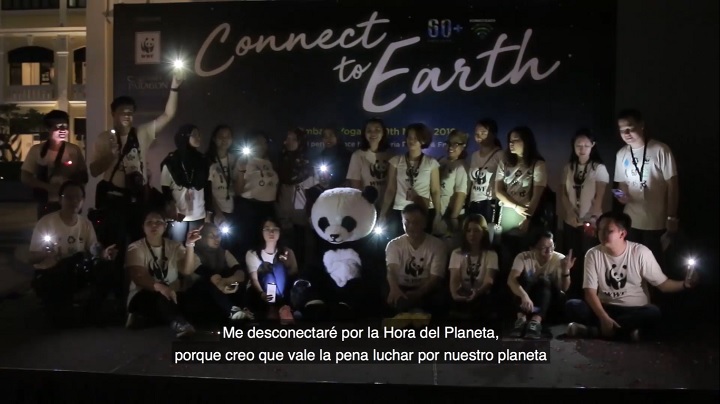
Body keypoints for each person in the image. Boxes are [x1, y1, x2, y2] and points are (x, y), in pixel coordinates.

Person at [565, 211, 698, 342]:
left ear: (622, 233)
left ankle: (595, 331)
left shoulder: (640, 252)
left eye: (609, 231)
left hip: (634, 310)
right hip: (606, 307)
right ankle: (625, 333)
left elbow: (663, 284)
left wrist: (684, 284)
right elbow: (590, 293)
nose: (602, 234)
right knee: (573, 305)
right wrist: (604, 317)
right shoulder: (593, 254)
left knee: (653, 312)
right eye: (600, 230)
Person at [28, 180, 117, 326]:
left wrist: (103, 254)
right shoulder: (46, 222)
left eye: (78, 198)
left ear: (83, 200)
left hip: (76, 272)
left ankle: (90, 312)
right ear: (60, 199)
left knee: (105, 267)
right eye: (69, 197)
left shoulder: (85, 224)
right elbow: (31, 258)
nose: (74, 201)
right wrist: (45, 254)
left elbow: (93, 249)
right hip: (51, 274)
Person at [613, 109, 679, 265]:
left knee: (653, 267)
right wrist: (620, 195)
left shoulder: (660, 149)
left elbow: (673, 185)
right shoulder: (621, 154)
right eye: (622, 130)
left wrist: (671, 216)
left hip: (656, 222)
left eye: (630, 128)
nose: (626, 133)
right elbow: (621, 185)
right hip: (631, 221)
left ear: (641, 125)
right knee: (632, 265)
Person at [124, 211, 202, 338]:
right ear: (143, 227)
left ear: (165, 226)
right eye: (149, 222)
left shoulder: (174, 246)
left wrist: (190, 245)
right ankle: (178, 323)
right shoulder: (136, 247)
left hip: (172, 293)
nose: (154, 225)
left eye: (158, 222)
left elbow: (187, 270)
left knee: (191, 297)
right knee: (161, 297)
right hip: (144, 294)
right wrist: (162, 288)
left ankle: (146, 319)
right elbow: (139, 277)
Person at [561, 129, 609, 297]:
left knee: (588, 258)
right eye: (578, 145)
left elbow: (599, 197)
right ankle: (571, 293)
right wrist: (570, 211)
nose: (582, 149)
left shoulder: (599, 168)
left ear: (593, 145)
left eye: (586, 145)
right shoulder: (569, 167)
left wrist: (592, 218)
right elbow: (563, 194)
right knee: (572, 257)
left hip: (590, 222)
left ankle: (589, 295)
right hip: (571, 221)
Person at [494, 126, 548, 270]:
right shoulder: (504, 162)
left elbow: (537, 195)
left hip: (527, 215)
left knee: (525, 256)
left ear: (526, 141)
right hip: (507, 214)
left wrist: (528, 217)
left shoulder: (537, 164)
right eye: (510, 140)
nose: (511, 143)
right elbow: (498, 191)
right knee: (506, 255)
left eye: (516, 140)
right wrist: (515, 206)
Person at [507, 231, 576, 339]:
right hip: (527, 302)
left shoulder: (559, 259)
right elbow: (511, 280)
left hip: (549, 303)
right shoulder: (523, 257)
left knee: (544, 280)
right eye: (544, 248)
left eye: (551, 247)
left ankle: (535, 322)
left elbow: (564, 288)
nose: (549, 251)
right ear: (532, 248)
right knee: (522, 279)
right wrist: (524, 296)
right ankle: (521, 320)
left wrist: (565, 271)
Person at [385, 204, 448, 319]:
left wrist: (419, 293)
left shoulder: (437, 245)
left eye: (416, 222)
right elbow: (391, 269)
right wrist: (394, 289)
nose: (411, 226)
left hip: (426, 288)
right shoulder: (394, 244)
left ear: (424, 223)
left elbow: (436, 277)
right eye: (407, 222)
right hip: (402, 287)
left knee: (439, 298)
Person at [21, 110, 88, 219]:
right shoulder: (37, 150)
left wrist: (70, 175)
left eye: (65, 126)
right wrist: (48, 187)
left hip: (70, 203)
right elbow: (25, 177)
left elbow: (84, 176)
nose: (63, 130)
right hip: (47, 202)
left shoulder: (74, 150)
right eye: (58, 127)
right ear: (48, 129)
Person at [380, 123, 442, 239]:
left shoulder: (431, 162)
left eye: (416, 138)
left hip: (423, 209)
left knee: (423, 244)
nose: (411, 140)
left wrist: (438, 214)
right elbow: (390, 189)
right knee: (400, 244)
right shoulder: (396, 161)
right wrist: (383, 213)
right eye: (409, 137)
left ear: (423, 140)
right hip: (401, 210)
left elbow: (435, 191)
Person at [161, 124, 211, 244]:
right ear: (184, 137)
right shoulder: (171, 161)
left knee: (194, 247)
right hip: (178, 214)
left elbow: (208, 187)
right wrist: (170, 205)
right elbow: (165, 187)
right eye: (194, 135)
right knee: (176, 246)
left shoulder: (203, 160)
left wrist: (209, 212)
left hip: (198, 214)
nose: (198, 137)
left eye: (199, 135)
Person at [193, 224, 253, 322]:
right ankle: (231, 310)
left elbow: (239, 272)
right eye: (211, 236)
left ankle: (242, 308)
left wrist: (230, 280)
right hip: (201, 295)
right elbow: (208, 274)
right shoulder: (194, 253)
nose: (217, 238)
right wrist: (221, 283)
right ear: (202, 237)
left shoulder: (223, 252)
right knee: (207, 281)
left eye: (218, 235)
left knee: (237, 278)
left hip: (222, 288)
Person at [245, 218, 298, 323]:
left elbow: (294, 274)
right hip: (259, 291)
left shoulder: (287, 251)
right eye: (267, 229)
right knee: (267, 270)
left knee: (278, 267)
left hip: (282, 291)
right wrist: (262, 293)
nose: (271, 232)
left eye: (275, 229)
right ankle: (280, 308)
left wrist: (286, 265)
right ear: (261, 232)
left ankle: (277, 308)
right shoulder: (252, 253)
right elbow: (254, 279)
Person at [234, 132, 279, 255]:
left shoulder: (271, 162)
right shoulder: (244, 160)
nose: (261, 145)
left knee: (266, 243)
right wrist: (241, 170)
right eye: (257, 142)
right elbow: (238, 190)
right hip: (250, 207)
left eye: (263, 142)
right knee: (249, 242)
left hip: (268, 207)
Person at [448, 215, 499, 321]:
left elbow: (489, 280)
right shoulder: (456, 253)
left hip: (482, 294)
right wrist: (454, 294)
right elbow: (454, 278)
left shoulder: (491, 254)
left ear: (483, 233)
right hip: (462, 292)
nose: (472, 234)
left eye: (476, 231)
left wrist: (477, 292)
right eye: (469, 231)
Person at [206, 125, 239, 251]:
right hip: (216, 209)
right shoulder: (208, 160)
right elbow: (207, 190)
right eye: (221, 136)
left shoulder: (235, 159)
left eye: (228, 136)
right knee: (214, 244)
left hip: (233, 208)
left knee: (230, 247)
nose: (224, 140)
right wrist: (217, 212)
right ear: (214, 139)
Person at [346, 118, 391, 210]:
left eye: (377, 130)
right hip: (366, 207)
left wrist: (386, 208)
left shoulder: (391, 155)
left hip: (387, 207)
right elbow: (356, 187)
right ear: (364, 134)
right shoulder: (358, 155)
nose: (373, 133)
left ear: (383, 133)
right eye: (369, 130)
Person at [467, 119, 503, 227]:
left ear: (493, 134)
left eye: (483, 133)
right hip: (474, 202)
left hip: (489, 203)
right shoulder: (474, 155)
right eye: (476, 133)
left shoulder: (500, 155)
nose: (479, 136)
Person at [435, 130, 469, 245]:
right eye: (449, 143)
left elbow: (461, 194)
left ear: (463, 146)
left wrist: (453, 218)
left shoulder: (461, 166)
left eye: (456, 144)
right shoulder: (441, 160)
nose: (451, 147)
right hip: (437, 212)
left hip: (448, 216)